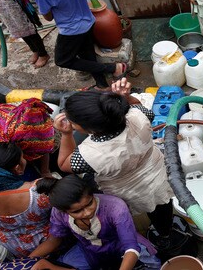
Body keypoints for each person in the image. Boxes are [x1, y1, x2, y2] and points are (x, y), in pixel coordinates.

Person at [53, 78, 174, 239]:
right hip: (157, 173)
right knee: (162, 206)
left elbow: (63, 164)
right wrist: (125, 97)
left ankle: (153, 233)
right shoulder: (138, 116)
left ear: (89, 129)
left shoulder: (89, 155)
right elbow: (137, 105)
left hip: (128, 190)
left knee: (138, 209)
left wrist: (66, 134)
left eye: (73, 123)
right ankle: (166, 232)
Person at [0, 0, 126, 89]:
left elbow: (48, 17)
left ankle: (113, 68)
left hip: (71, 30)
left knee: (63, 60)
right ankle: (102, 85)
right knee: (87, 55)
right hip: (88, 21)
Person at [30, 175, 161, 270]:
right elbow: (54, 240)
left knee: (152, 264)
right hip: (89, 250)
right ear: (64, 211)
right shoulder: (58, 213)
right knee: (63, 264)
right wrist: (28, 261)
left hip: (121, 244)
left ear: (93, 195)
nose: (87, 212)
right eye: (77, 211)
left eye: (89, 203)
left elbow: (131, 247)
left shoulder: (115, 207)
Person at [0, 98, 55, 178]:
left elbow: (43, 147)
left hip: (6, 119)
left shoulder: (31, 133)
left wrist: (45, 171)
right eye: (22, 158)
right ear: (17, 168)